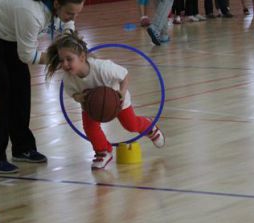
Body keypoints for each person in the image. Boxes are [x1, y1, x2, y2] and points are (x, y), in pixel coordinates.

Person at [0, 0, 85, 174]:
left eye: (76, 13)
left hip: (6, 29)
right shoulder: (31, 12)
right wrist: (60, 60)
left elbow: (67, 29)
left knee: (20, 84)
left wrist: (72, 47)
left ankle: (23, 148)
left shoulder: (60, 4)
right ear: (56, 4)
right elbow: (27, 55)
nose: (72, 17)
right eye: (70, 13)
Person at [45, 32, 165, 169]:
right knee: (90, 128)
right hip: (90, 105)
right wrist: (80, 98)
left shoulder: (102, 68)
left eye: (69, 59)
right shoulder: (68, 79)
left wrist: (122, 92)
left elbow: (124, 75)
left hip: (117, 100)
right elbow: (73, 94)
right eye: (61, 61)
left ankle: (150, 128)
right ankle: (103, 151)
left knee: (131, 125)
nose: (65, 64)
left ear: (82, 57)